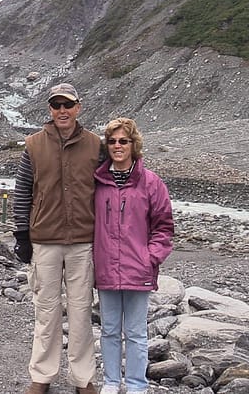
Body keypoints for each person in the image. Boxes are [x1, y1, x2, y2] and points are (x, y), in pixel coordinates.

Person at [12, 83, 102, 394]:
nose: (62, 110)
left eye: (68, 104)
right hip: (45, 240)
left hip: (83, 241)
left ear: (79, 107)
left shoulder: (95, 145)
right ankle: (42, 377)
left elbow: (105, 192)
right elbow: (22, 192)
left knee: (81, 313)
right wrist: (22, 235)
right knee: (46, 311)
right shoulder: (34, 145)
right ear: (50, 109)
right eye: (56, 105)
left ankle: (83, 379)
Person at [93, 118, 174, 394]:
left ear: (133, 144)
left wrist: (151, 257)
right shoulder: (97, 182)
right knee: (109, 330)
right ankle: (112, 382)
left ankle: (138, 384)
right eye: (113, 141)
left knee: (137, 333)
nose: (117, 146)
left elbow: (164, 225)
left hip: (138, 268)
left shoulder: (151, 182)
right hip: (105, 267)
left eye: (123, 141)